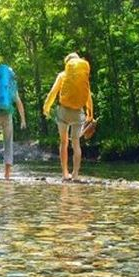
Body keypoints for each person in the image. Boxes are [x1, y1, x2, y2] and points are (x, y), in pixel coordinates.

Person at [43, 52, 94, 181]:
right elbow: (88, 97)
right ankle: (75, 174)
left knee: (64, 142)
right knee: (76, 144)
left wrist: (46, 107)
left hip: (64, 111)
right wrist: (90, 113)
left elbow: (53, 93)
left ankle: (65, 173)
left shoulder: (62, 75)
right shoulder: (83, 77)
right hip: (78, 112)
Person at [0, 64, 27, 180]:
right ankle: (7, 174)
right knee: (8, 143)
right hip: (8, 115)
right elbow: (18, 102)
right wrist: (23, 119)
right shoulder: (11, 85)